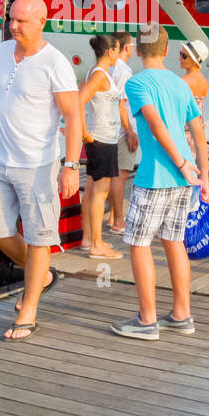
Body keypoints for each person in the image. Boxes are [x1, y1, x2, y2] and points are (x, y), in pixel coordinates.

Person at [0, 0, 83, 341]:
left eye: (22, 20)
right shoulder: (4, 52)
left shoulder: (55, 63)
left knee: (40, 239)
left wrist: (71, 166)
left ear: (42, 21)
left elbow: (73, 115)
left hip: (37, 165)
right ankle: (43, 275)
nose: (14, 25)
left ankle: (30, 310)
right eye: (11, 19)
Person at [112, 25, 209, 340]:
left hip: (154, 176)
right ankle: (182, 315)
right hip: (185, 180)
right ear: (167, 51)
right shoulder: (181, 84)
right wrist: (202, 178)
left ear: (138, 50)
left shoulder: (137, 82)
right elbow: (199, 134)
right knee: (174, 242)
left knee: (139, 244)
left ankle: (147, 320)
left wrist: (180, 161)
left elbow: (154, 124)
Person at [78, 33, 125, 260]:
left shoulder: (97, 73)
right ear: (109, 52)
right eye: (117, 49)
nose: (118, 53)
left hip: (103, 138)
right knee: (100, 192)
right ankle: (97, 244)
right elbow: (79, 101)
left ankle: (88, 238)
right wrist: (85, 133)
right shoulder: (99, 75)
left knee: (91, 189)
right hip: (102, 139)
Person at [107, 30, 140, 234]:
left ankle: (113, 217)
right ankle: (119, 221)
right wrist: (129, 131)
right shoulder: (124, 71)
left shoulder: (108, 67)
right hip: (120, 129)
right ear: (127, 47)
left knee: (111, 176)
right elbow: (121, 103)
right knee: (120, 175)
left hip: (108, 127)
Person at [178, 39, 209, 156]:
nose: (180, 58)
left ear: (194, 60)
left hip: (184, 133)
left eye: (184, 56)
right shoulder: (204, 81)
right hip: (198, 133)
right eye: (180, 54)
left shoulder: (183, 82)